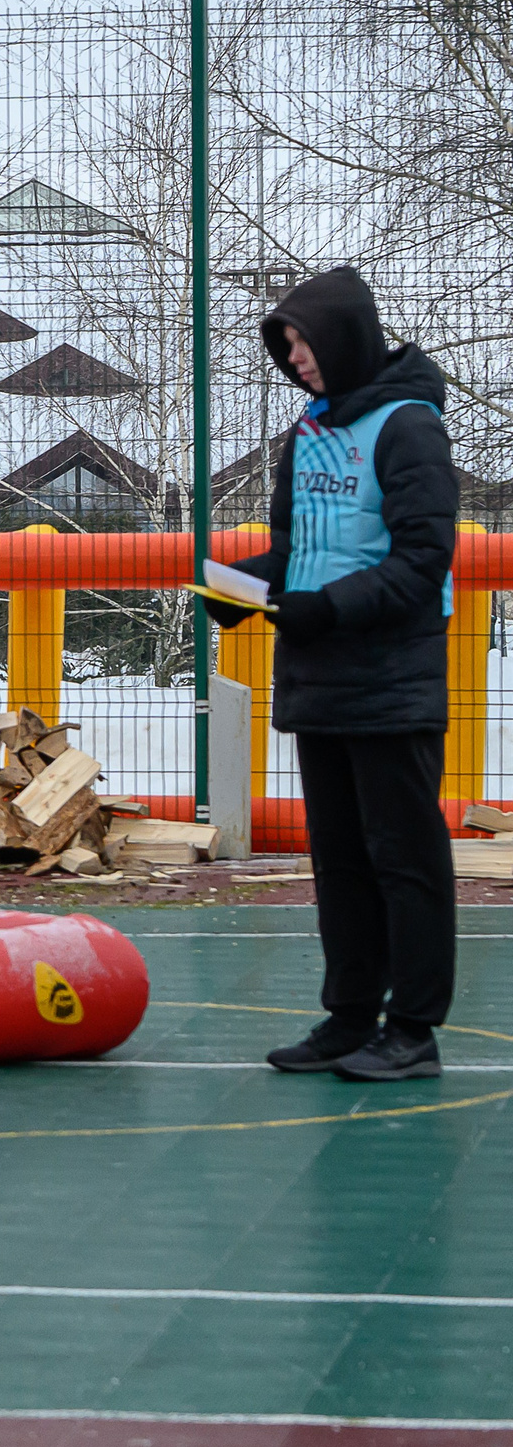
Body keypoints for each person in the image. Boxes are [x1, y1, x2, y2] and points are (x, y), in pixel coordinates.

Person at [207, 266, 457, 1082]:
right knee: (340, 862)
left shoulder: (409, 427)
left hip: (391, 682)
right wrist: (240, 586)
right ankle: (350, 1016)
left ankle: (412, 1029)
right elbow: (299, 555)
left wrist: (328, 607)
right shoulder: (309, 432)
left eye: (304, 343)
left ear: (345, 336)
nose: (297, 361)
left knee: (406, 860)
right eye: (287, 348)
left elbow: (424, 561)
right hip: (320, 682)